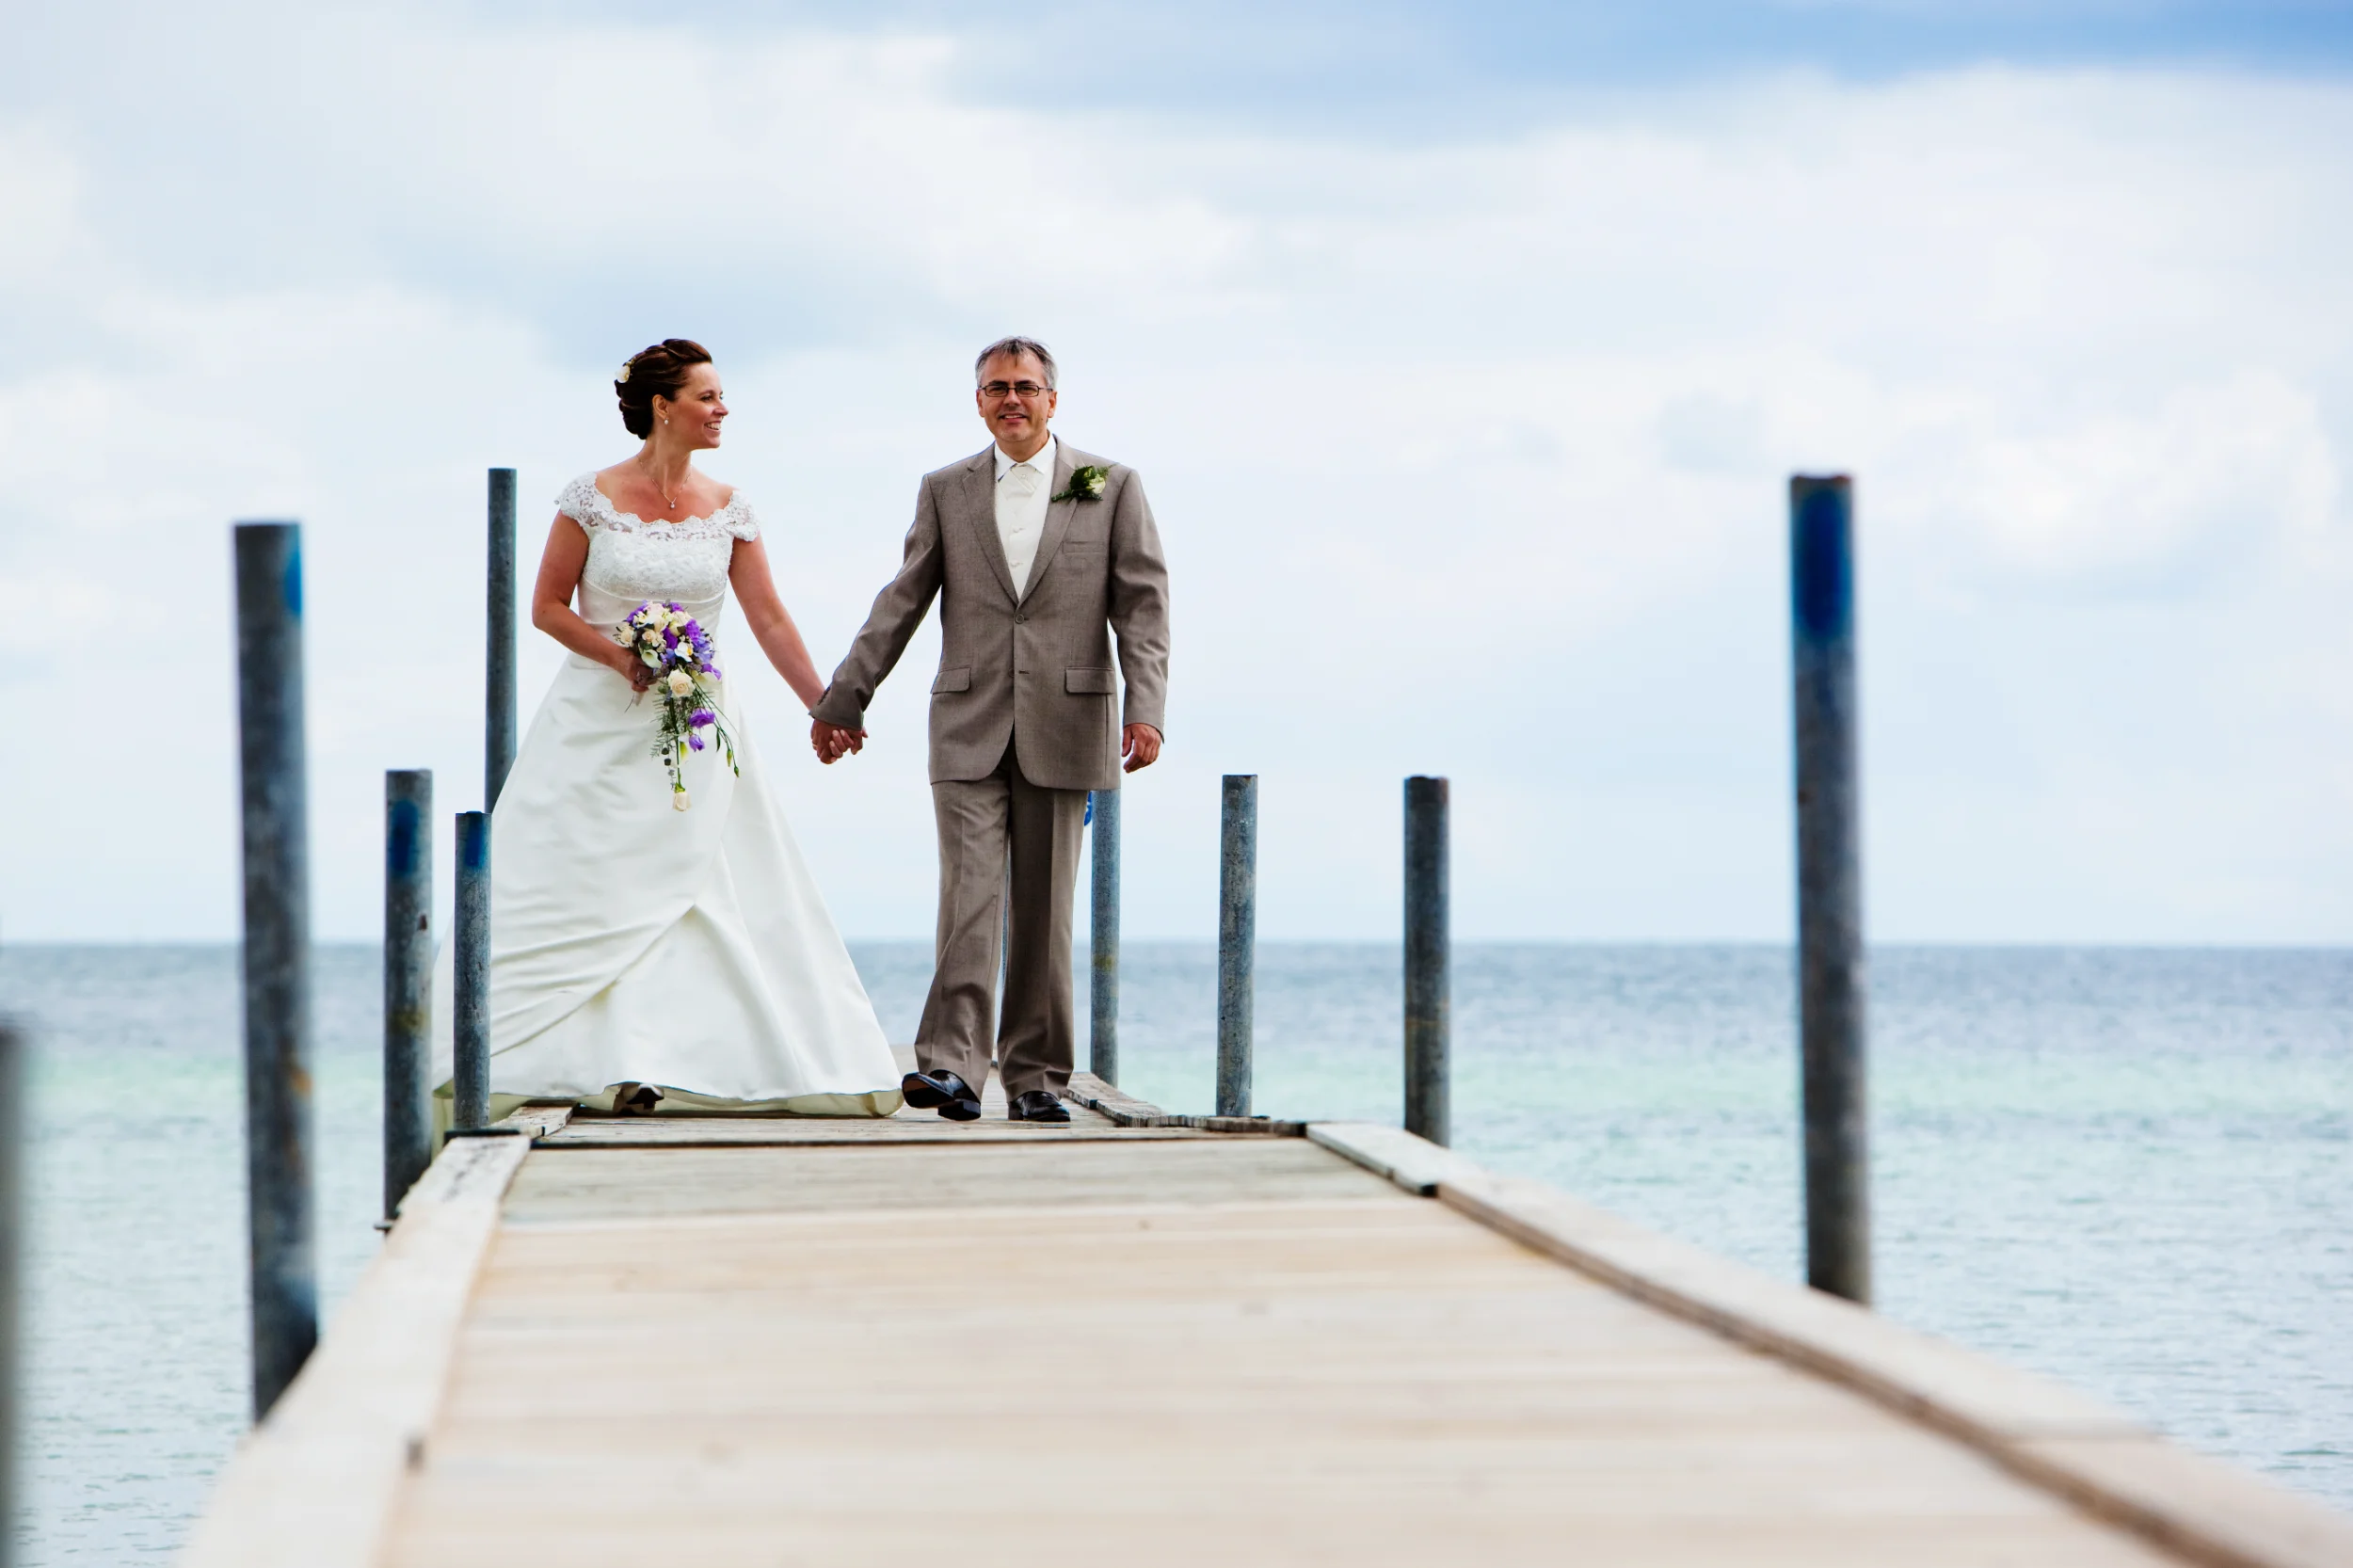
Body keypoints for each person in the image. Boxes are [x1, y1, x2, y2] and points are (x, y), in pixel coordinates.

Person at [429, 338, 902, 1124]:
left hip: (698, 724)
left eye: (721, 397)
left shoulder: (731, 507)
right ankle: (568, 1057)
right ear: (663, 406)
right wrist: (618, 656)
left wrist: (827, 703)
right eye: (708, 397)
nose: (722, 410)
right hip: (596, 717)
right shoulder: (590, 497)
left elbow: (771, 617)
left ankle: (677, 1059)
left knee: (700, 883)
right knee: (587, 876)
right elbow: (548, 608)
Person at [810, 337, 1171, 1122]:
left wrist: (1147, 708)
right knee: (969, 900)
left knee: (1044, 913)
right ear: (978, 401)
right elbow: (901, 600)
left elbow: (1142, 607)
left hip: (1071, 724)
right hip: (968, 724)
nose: (1012, 399)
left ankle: (1037, 1075)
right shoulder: (947, 490)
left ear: (1052, 399)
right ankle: (952, 1070)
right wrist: (846, 697)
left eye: (1026, 387)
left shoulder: (1111, 486)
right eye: (996, 388)